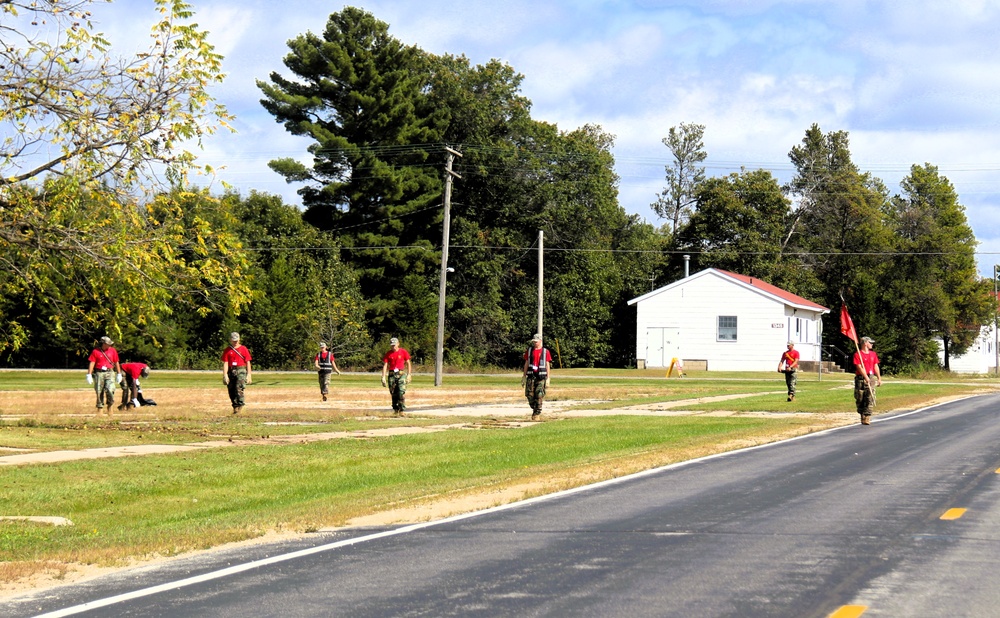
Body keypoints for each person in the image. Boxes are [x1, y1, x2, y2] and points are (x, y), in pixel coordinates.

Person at [86, 336, 122, 414]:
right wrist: (89, 374)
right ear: (103, 343)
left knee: (110, 389)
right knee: (99, 391)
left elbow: (116, 362)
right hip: (99, 373)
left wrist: (119, 373)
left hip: (110, 372)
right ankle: (100, 408)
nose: (109, 345)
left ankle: (110, 406)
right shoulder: (96, 351)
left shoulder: (113, 351)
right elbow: (92, 362)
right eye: (107, 344)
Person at [522, 333, 552, 421]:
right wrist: (524, 376)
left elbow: (547, 365)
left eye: (536, 342)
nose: (535, 343)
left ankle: (536, 414)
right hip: (531, 376)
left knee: (539, 395)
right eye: (534, 342)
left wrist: (548, 378)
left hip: (541, 377)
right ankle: (534, 408)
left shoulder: (545, 352)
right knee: (529, 395)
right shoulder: (530, 350)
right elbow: (526, 363)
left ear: (540, 341)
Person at [221, 331, 252, 414]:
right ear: (230, 340)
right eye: (234, 340)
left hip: (241, 369)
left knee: (239, 387)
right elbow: (226, 363)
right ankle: (235, 406)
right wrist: (225, 375)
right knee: (231, 389)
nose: (235, 342)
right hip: (231, 370)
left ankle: (240, 404)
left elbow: (248, 362)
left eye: (237, 340)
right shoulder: (227, 350)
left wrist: (249, 375)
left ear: (239, 340)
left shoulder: (244, 349)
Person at [853, 336, 881, 425]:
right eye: (870, 342)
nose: (872, 344)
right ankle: (862, 415)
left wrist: (879, 378)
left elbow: (876, 366)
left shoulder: (873, 354)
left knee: (870, 396)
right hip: (860, 378)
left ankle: (867, 416)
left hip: (871, 376)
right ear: (865, 343)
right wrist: (865, 377)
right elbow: (859, 367)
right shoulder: (858, 354)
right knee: (860, 397)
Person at [381, 337, 412, 416]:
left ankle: (402, 409)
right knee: (393, 393)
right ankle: (395, 409)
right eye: (392, 345)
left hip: (401, 374)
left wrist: (409, 374)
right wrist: (383, 377)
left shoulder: (403, 352)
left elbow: (408, 363)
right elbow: (385, 365)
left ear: (398, 344)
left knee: (401, 391)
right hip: (392, 374)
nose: (393, 347)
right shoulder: (388, 353)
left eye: (394, 345)